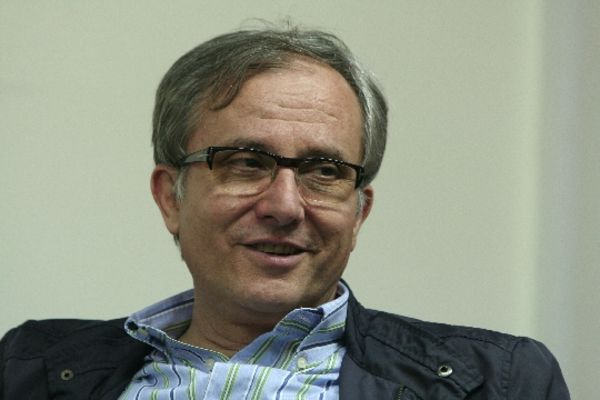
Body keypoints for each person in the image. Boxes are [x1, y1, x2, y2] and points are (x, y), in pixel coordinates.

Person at [0, 25, 570, 400]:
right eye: (246, 163)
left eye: (325, 170)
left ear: (359, 211)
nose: (284, 206)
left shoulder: (498, 382)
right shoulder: (29, 367)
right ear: (171, 197)